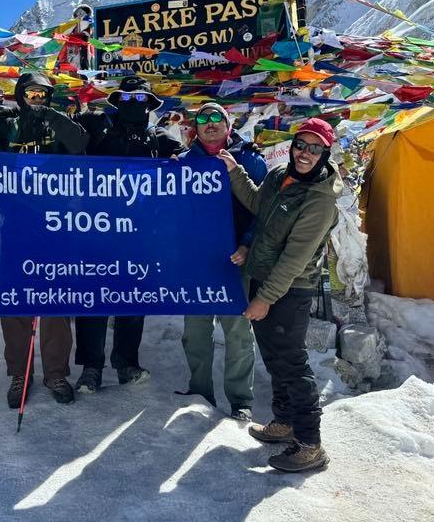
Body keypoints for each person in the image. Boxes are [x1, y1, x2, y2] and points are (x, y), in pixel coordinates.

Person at [219, 117, 341, 473]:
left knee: (291, 361)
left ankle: (309, 443)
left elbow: (294, 258)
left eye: (314, 148)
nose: (305, 153)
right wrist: (234, 171)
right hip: (264, 279)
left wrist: (265, 298)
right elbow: (259, 203)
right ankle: (284, 421)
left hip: (290, 289)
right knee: (273, 356)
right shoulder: (278, 177)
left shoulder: (319, 200)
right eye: (301, 145)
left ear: (324, 152)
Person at [0, 72, 88, 406]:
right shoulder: (7, 124)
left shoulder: (59, 123)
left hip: (56, 225)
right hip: (17, 226)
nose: (37, 98)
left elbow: (80, 143)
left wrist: (49, 115)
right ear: (20, 94)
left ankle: (56, 373)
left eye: (43, 94)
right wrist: (18, 115)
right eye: (30, 93)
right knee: (17, 302)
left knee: (55, 302)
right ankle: (19, 373)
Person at [72, 75, 182, 394]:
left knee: (133, 299)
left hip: (138, 236)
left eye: (140, 100)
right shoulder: (96, 128)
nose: (134, 104)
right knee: (93, 300)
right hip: (96, 230)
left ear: (149, 104)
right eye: (128, 99)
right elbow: (63, 137)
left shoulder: (159, 138)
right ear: (117, 101)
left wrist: (180, 161)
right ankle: (91, 368)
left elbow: (192, 165)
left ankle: (126, 363)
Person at [177, 103, 266, 420]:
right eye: (203, 118)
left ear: (229, 126)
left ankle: (240, 400)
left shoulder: (250, 160)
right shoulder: (185, 163)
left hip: (236, 260)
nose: (210, 123)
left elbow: (263, 209)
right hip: (198, 261)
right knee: (195, 330)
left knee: (238, 332)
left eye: (218, 118)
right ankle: (200, 391)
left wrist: (247, 245)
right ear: (195, 128)